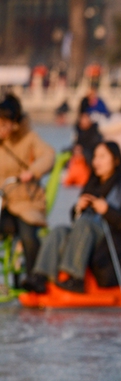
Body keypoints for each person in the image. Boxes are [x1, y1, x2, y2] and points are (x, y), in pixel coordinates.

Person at [27, 141, 121, 294]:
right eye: (95, 157)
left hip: (112, 242)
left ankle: (75, 278)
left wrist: (107, 210)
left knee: (85, 224)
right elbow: (76, 220)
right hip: (87, 236)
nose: (96, 161)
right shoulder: (93, 183)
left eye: (102, 157)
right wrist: (77, 209)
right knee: (59, 231)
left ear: (115, 160)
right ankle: (40, 277)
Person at [0, 93, 55, 286]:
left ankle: (35, 279)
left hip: (26, 202)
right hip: (4, 204)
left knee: (29, 237)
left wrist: (32, 172)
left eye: (4, 125)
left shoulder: (29, 138)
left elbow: (48, 155)